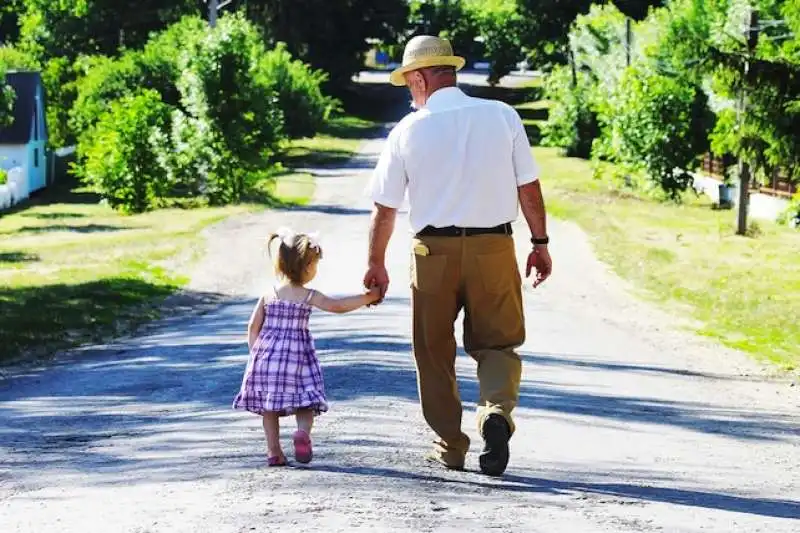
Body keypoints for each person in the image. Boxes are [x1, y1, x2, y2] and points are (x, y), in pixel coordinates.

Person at [364, 35, 553, 476]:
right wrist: (540, 244)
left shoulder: (408, 130)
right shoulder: (501, 116)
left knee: (433, 351)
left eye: (409, 83)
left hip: (432, 252)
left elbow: (385, 208)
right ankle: (495, 413)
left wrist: (375, 263)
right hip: (494, 246)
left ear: (420, 78)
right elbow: (529, 187)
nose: (410, 92)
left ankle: (450, 445)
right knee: (499, 343)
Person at [234, 227, 381, 466]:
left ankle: (274, 452)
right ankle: (302, 432)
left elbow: (253, 327)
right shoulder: (308, 295)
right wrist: (368, 297)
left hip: (265, 360)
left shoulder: (268, 295)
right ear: (307, 268)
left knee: (269, 409)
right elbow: (338, 306)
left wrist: (255, 357)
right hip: (297, 360)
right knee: (305, 401)